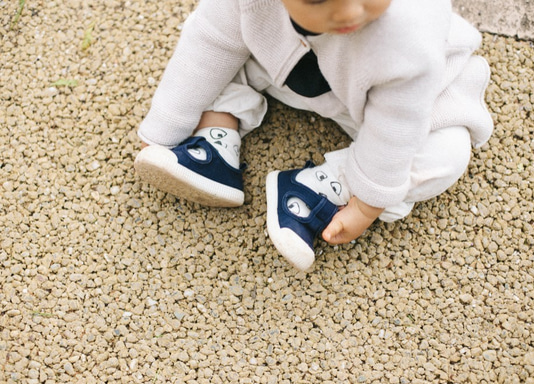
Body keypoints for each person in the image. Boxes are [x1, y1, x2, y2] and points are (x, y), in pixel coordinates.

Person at [134, 0, 493, 271]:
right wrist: (164, 130)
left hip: (406, 102)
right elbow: (210, 42)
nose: (349, 13)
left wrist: (367, 203)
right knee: (209, 44)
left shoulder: (411, 30)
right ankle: (215, 135)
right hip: (291, 69)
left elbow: (397, 124)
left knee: (446, 153)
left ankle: (328, 184)